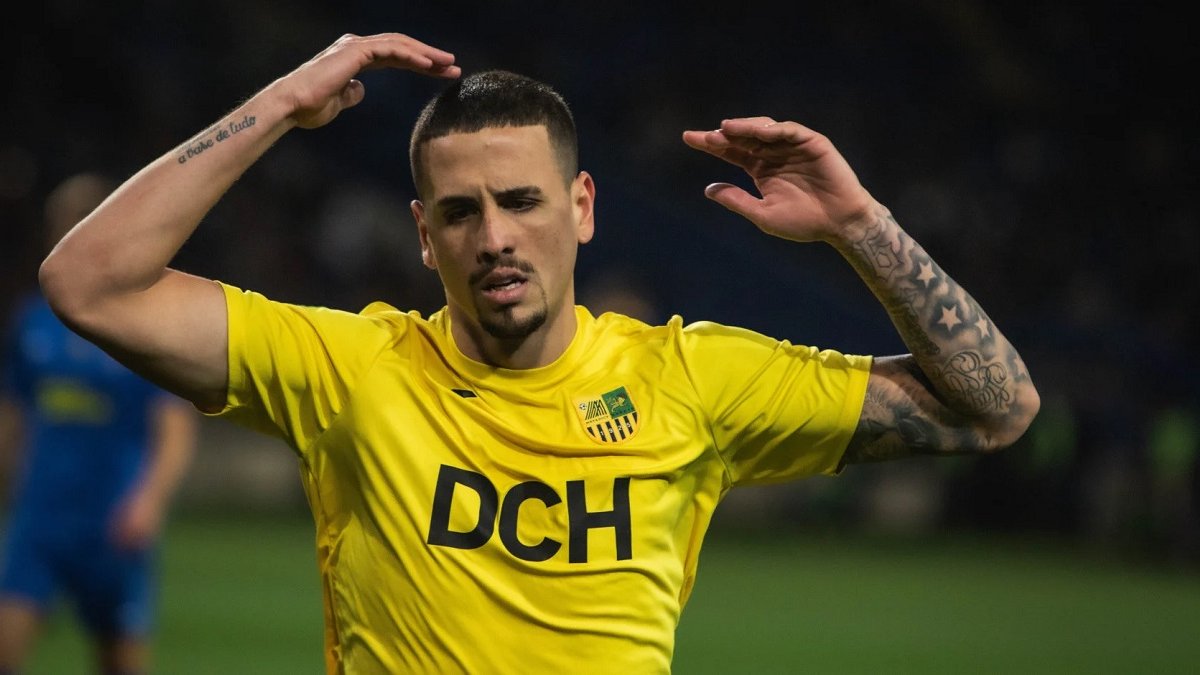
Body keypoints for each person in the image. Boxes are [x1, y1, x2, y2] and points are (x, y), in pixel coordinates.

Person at [36, 32, 1040, 674]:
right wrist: (285, 102)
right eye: (461, 212)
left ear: (582, 207)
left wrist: (860, 225)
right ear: (424, 236)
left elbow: (996, 409)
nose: (496, 238)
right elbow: (89, 283)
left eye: (522, 201)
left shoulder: (690, 379)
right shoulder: (347, 369)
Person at [0, 172, 199, 675]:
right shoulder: (32, 322)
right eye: (62, 227)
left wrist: (149, 502)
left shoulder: (139, 324)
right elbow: (13, 414)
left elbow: (173, 429)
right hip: (41, 519)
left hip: (113, 523)